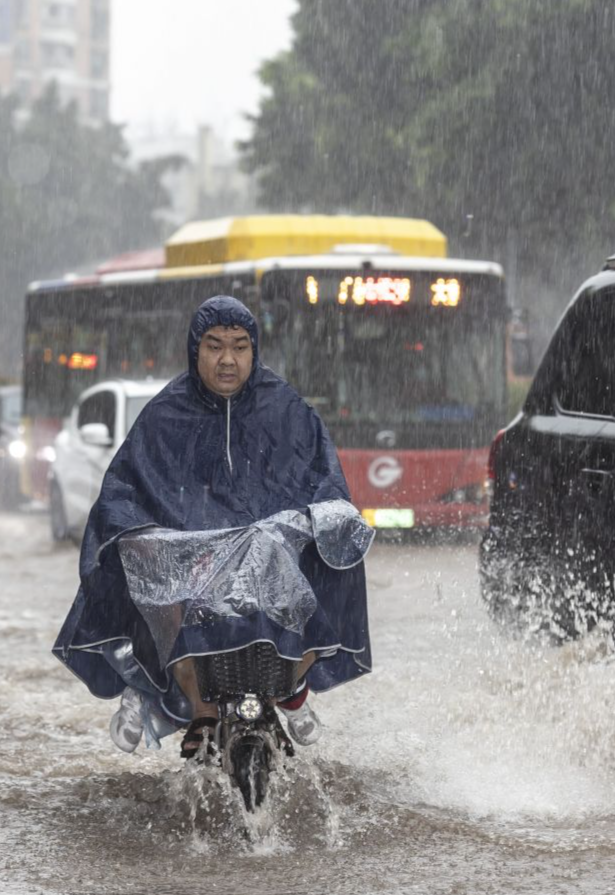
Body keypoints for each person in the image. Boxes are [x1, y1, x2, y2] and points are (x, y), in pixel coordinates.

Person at [52, 296, 374, 759]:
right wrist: (131, 530)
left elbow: (324, 481)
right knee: (136, 562)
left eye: (240, 347)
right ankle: (157, 686)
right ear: (194, 350)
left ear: (254, 350)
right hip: (191, 561)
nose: (228, 359)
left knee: (342, 548)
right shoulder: (164, 416)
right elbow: (125, 486)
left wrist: (322, 518)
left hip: (270, 559)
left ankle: (292, 684)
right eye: (215, 346)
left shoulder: (287, 410)